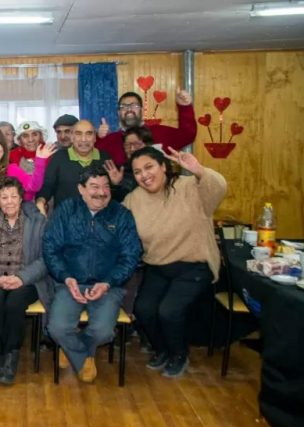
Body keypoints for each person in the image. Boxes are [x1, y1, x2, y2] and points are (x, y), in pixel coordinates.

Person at [124, 147, 227, 378]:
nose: (144, 175)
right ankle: (162, 350)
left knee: (169, 311)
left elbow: (219, 188)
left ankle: (179, 354)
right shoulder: (134, 199)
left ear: (163, 166)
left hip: (194, 264)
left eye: (149, 167)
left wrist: (199, 171)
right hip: (158, 265)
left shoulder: (190, 187)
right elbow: (119, 227)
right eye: (138, 171)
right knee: (143, 309)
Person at [43, 166, 142, 383]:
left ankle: (71, 349)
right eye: (94, 187)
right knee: (56, 329)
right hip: (70, 282)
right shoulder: (66, 210)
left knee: (104, 332)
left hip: (108, 285)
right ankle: (83, 355)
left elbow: (131, 255)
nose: (101, 192)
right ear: (81, 189)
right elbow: (50, 248)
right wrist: (66, 277)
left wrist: (108, 282)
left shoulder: (122, 214)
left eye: (106, 186)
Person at [0, 177, 52, 387]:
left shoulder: (38, 221)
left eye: (13, 196)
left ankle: (10, 358)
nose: (9, 201)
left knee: (14, 302)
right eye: (4, 197)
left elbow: (46, 258)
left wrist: (21, 278)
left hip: (27, 281)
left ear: (21, 198)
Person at [96, 88, 196, 165]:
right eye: (124, 107)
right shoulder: (110, 140)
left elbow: (188, 135)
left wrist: (185, 107)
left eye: (134, 106)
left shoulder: (160, 132)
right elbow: (91, 152)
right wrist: (99, 138)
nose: (129, 109)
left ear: (142, 110)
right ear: (119, 113)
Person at [36, 120, 112, 214]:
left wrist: (116, 184)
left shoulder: (105, 158)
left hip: (99, 219)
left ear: (95, 138)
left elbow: (110, 192)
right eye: (78, 134)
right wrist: (41, 201)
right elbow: (47, 186)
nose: (83, 139)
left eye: (88, 134)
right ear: (72, 138)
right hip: (65, 220)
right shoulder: (59, 157)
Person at [106, 126, 155, 202]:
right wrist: (116, 185)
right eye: (127, 145)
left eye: (136, 144)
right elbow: (117, 203)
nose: (132, 149)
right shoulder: (120, 172)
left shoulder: (159, 168)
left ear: (148, 145)